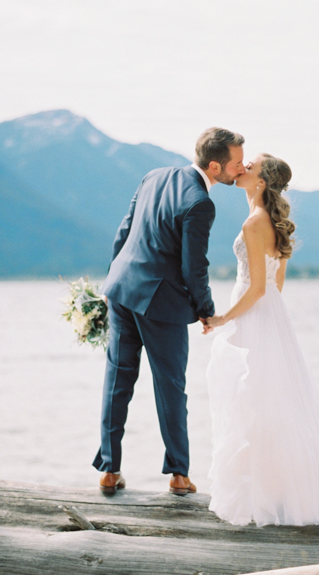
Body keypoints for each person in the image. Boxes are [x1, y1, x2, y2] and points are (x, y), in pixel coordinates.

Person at [94, 127, 245, 495]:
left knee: (117, 380)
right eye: (237, 163)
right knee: (171, 388)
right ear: (214, 166)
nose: (242, 168)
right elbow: (195, 267)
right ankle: (179, 474)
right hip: (160, 304)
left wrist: (112, 281)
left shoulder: (154, 175)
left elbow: (124, 232)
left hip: (121, 291)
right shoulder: (200, 202)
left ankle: (109, 471)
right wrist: (206, 311)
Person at [203, 154, 319, 526]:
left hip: (253, 314)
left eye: (249, 166)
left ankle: (259, 496)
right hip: (272, 317)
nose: (242, 168)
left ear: (261, 182)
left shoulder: (254, 223)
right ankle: (284, 493)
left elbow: (254, 289)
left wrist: (223, 318)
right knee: (274, 403)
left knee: (252, 403)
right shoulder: (273, 224)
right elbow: (275, 285)